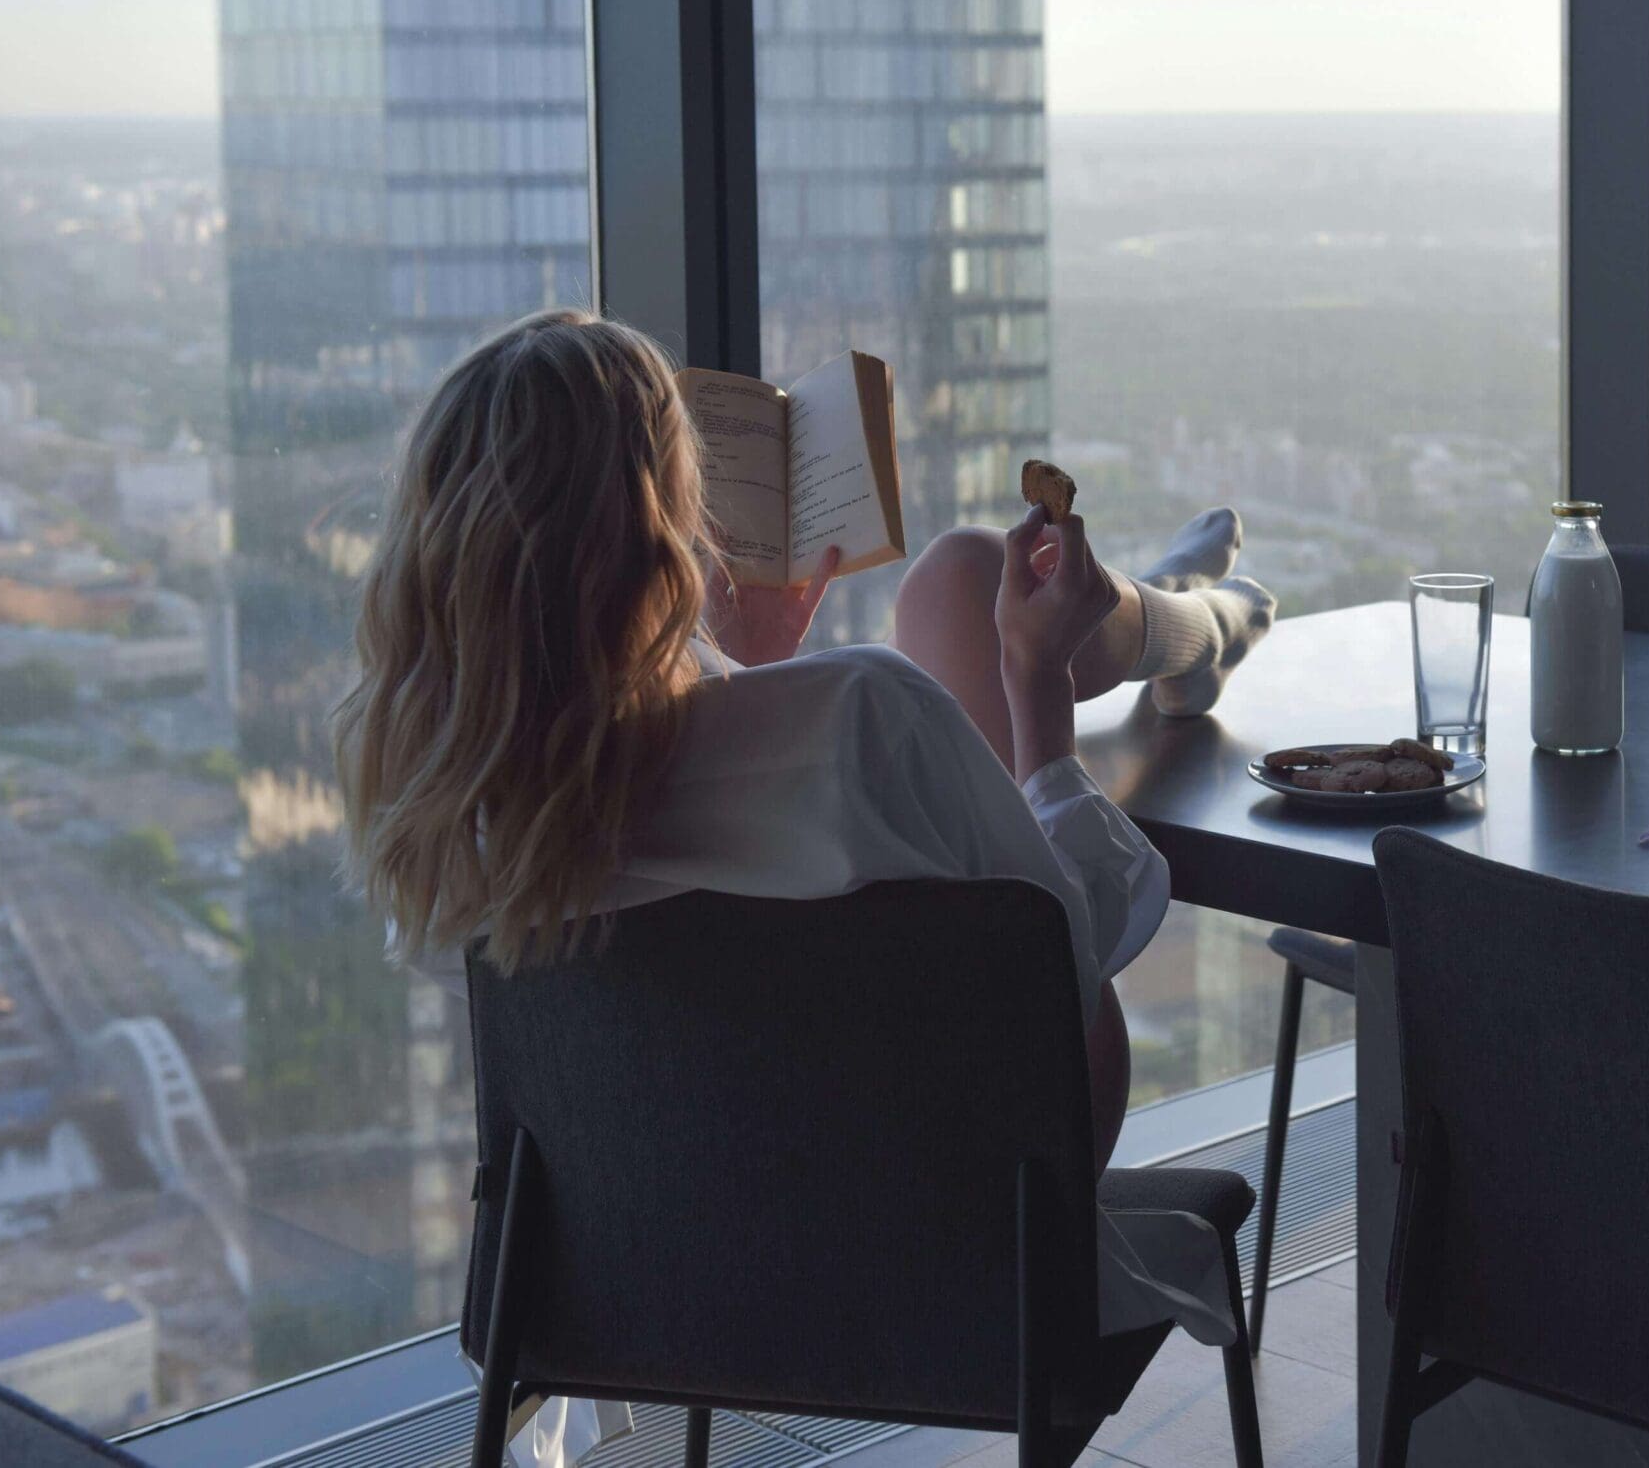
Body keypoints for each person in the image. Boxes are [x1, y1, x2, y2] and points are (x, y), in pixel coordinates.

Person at [331, 309, 1275, 1461]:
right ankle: (1186, 620)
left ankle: (1189, 612)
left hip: (638, 1271)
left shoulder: (453, 814)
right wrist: (1035, 691)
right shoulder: (859, 719)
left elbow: (685, 966)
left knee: (952, 599)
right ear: (663, 529)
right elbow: (1081, 933)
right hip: (955, 1233)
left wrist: (741, 678)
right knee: (964, 592)